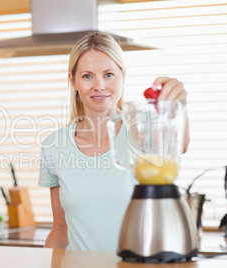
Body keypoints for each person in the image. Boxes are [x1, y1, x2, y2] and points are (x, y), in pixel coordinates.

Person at [38, 31, 190, 251]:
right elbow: (60, 229)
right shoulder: (53, 146)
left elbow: (180, 144)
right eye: (87, 76)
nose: (99, 86)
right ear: (73, 81)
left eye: (108, 74)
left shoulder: (143, 128)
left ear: (123, 75)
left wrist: (179, 104)